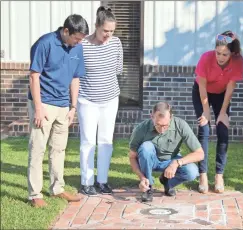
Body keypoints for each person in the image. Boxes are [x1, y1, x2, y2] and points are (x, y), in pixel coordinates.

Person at [27, 14, 89, 207]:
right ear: (65, 31)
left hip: (64, 106)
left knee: (59, 149)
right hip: (43, 103)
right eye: (76, 38)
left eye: (81, 39)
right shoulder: (44, 43)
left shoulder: (77, 48)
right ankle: (35, 194)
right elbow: (33, 76)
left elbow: (75, 78)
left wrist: (73, 107)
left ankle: (57, 189)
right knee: (37, 149)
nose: (79, 42)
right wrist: (38, 108)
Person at [78, 6, 123, 196]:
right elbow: (76, 73)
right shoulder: (82, 45)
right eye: (105, 31)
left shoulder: (116, 43)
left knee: (106, 141)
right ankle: (86, 182)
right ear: (96, 26)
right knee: (88, 140)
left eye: (112, 31)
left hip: (110, 99)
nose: (108, 35)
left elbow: (118, 68)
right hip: (87, 100)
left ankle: (102, 181)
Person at [192, 31, 243, 194]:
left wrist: (223, 113)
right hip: (202, 93)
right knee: (204, 129)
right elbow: (201, 87)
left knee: (222, 129)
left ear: (232, 53)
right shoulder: (206, 58)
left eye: (225, 54)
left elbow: (230, 89)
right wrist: (206, 112)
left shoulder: (238, 61)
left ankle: (219, 175)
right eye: (218, 53)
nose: (220, 57)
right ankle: (203, 175)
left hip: (222, 95)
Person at [128, 102, 204, 202]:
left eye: (165, 126)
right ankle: (147, 186)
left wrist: (176, 163)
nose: (162, 130)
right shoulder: (141, 129)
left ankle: (167, 182)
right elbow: (132, 157)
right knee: (146, 147)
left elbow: (200, 153)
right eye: (158, 125)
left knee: (192, 172)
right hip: (151, 160)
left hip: (171, 160)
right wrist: (141, 177)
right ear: (152, 117)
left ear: (171, 117)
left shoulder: (180, 125)